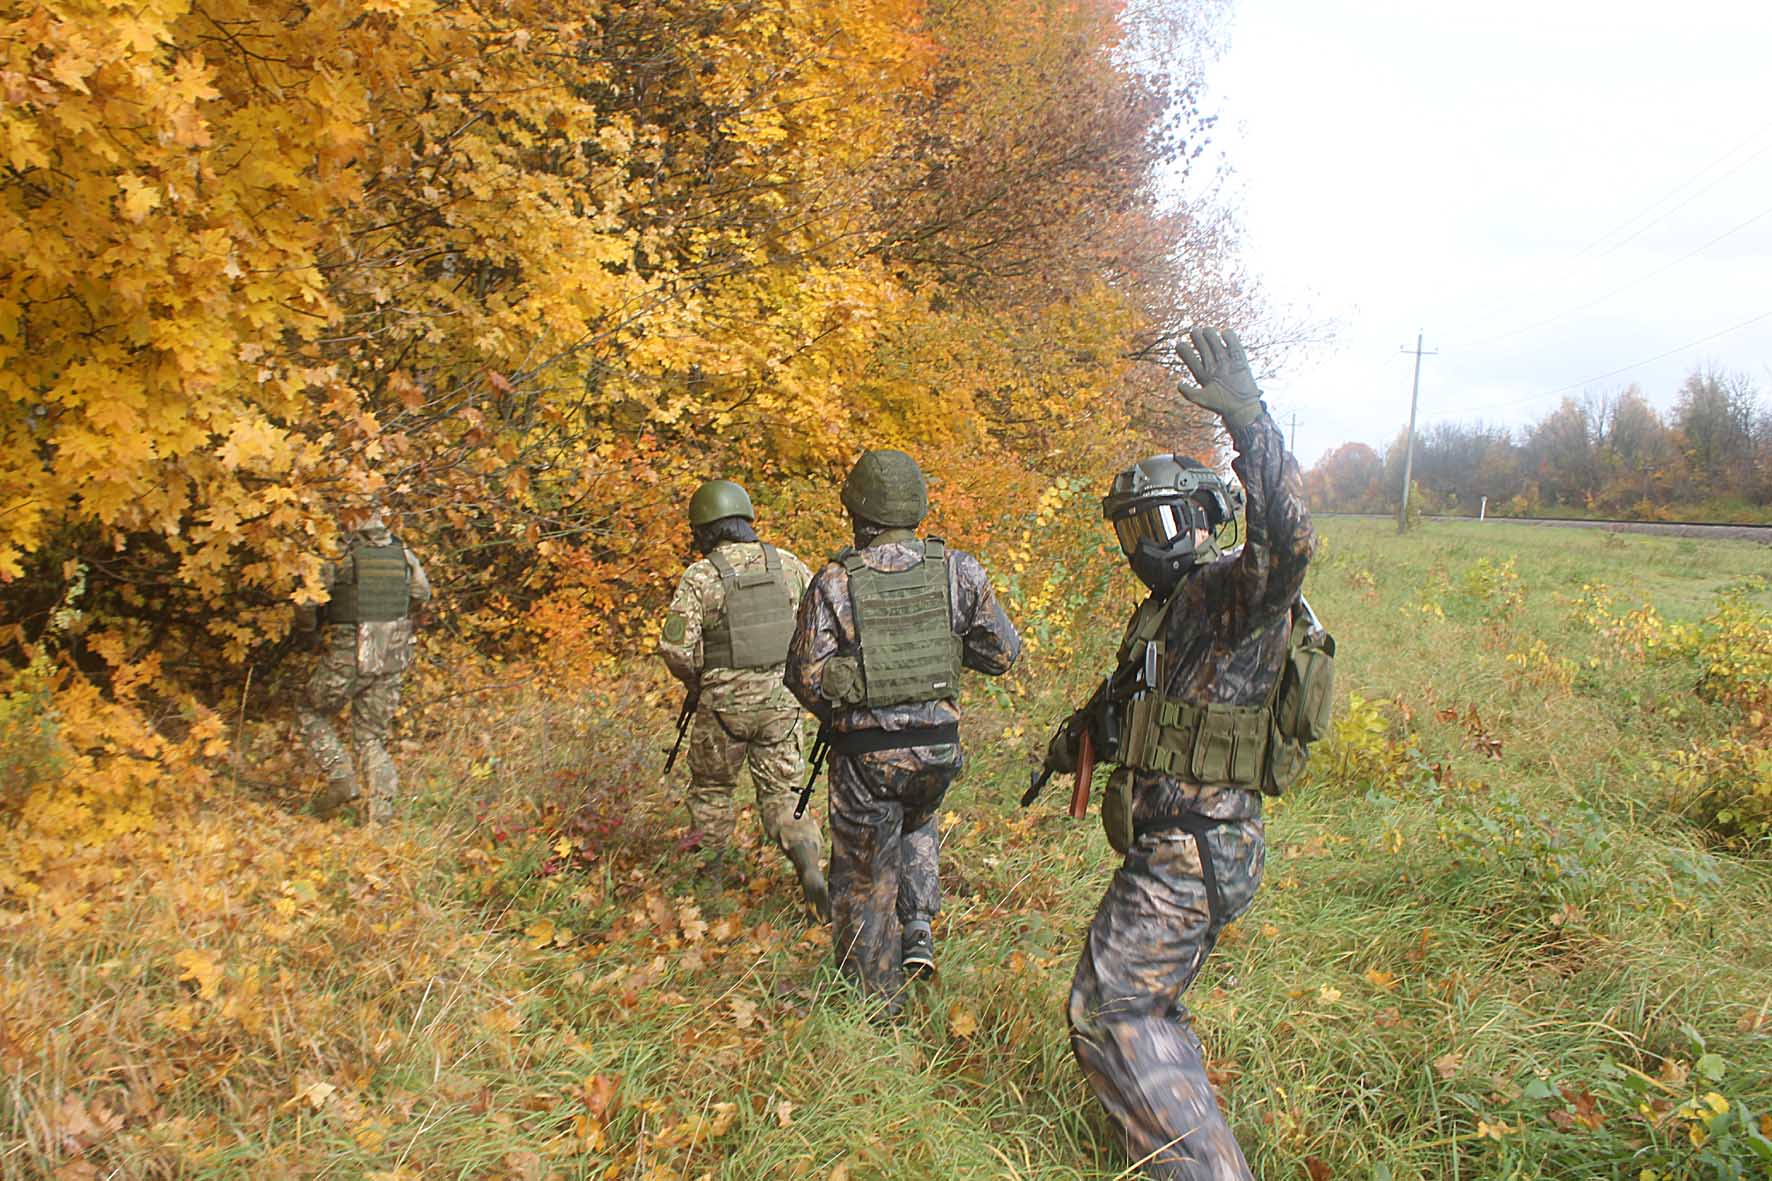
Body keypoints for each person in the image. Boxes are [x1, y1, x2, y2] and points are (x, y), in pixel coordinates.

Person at [1044, 327, 1315, 1179]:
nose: (1144, 545)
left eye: (1159, 522)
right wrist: (1074, 741)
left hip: (1195, 848)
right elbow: (1129, 703)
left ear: (1201, 518)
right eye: (1131, 530)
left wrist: (1251, 422)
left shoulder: (1233, 594)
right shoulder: (1165, 614)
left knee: (1115, 1007)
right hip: (1184, 843)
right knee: (1141, 1002)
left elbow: (1290, 541)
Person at [784, 449, 1020, 1013]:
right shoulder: (959, 570)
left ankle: (874, 1007)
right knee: (917, 818)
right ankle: (918, 928)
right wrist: (938, 658)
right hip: (938, 753)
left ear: (857, 511)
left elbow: (804, 677)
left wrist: (852, 703)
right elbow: (1001, 654)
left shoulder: (836, 581)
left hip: (866, 758)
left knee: (864, 878)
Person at [657, 478, 829, 917]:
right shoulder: (788, 565)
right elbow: (819, 628)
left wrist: (698, 681)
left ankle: (709, 883)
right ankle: (808, 864)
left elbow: (675, 648)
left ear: (705, 529)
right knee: (784, 793)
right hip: (781, 703)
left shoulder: (702, 576)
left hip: (723, 707)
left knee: (712, 790)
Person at [296, 505, 432, 822]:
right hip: (392, 652)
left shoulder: (339, 553)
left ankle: (341, 776)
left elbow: (307, 602)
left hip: (351, 649)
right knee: (371, 736)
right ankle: (380, 813)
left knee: (309, 709)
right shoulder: (401, 552)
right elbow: (421, 593)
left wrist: (307, 633)